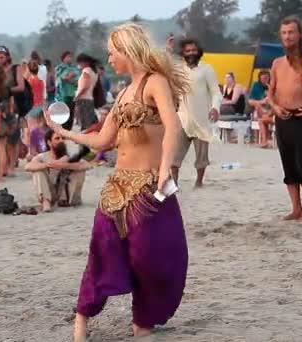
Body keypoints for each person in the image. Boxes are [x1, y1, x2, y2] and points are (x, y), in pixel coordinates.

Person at [44, 23, 189, 339]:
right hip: (116, 188)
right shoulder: (123, 92)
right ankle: (82, 317)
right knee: (101, 252)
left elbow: (173, 126)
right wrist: (66, 133)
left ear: (126, 50)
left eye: (112, 53)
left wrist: (166, 169)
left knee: (149, 258)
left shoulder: (155, 82)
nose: (109, 60)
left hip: (149, 188)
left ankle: (143, 321)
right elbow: (104, 140)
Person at [268, 16, 302, 222]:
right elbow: (271, 93)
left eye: (291, 32)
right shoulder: (276, 63)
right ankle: (296, 208)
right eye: (284, 33)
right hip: (283, 118)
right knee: (289, 165)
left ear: (299, 34)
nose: (287, 36)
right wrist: (275, 107)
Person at [171, 38, 222, 188]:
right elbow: (162, 66)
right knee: (174, 154)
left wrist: (215, 108)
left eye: (193, 50)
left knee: (202, 155)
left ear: (199, 51)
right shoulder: (178, 69)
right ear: (183, 53)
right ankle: (174, 183)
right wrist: (168, 48)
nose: (191, 53)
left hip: (202, 118)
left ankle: (199, 182)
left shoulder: (207, 69)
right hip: (182, 117)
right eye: (188, 51)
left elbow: (215, 92)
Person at [24, 129, 90, 212]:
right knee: (37, 171)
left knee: (80, 169)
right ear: (49, 143)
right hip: (51, 193)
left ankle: (68, 200)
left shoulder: (70, 155)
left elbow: (87, 165)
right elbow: (28, 166)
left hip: (66, 193)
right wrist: (48, 164)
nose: (61, 141)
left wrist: (65, 165)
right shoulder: (43, 156)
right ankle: (46, 202)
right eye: (57, 138)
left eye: (62, 138)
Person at [0, 46, 24, 176]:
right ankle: (3, 166)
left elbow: (21, 87)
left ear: (7, 57)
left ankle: (12, 166)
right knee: (1, 138)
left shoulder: (15, 68)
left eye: (1, 57)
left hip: (13, 106)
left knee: (13, 138)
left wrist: (7, 90)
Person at [74, 53, 101, 131]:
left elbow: (85, 86)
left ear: (85, 62)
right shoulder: (94, 72)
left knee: (85, 122)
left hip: (83, 99)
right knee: (91, 121)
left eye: (80, 63)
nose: (79, 65)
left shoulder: (86, 71)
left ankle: (85, 141)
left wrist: (77, 96)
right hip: (89, 98)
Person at [248, 71, 274, 147]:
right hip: (261, 109)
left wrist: (270, 90)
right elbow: (250, 101)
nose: (264, 80)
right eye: (262, 78)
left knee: (261, 119)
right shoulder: (256, 85)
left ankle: (264, 141)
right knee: (258, 106)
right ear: (259, 78)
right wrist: (261, 102)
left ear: (269, 78)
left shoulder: (273, 85)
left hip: (272, 110)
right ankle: (265, 141)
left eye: (266, 78)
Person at [55, 51, 80, 130]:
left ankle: (69, 130)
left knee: (71, 112)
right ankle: (63, 129)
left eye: (71, 57)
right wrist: (69, 77)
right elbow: (60, 79)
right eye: (68, 57)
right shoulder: (60, 68)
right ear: (63, 58)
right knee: (64, 112)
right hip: (63, 94)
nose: (70, 58)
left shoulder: (74, 68)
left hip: (72, 93)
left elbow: (78, 80)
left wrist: (70, 79)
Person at [25, 61, 46, 141]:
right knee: (40, 127)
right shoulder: (41, 81)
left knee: (32, 129)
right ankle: (41, 146)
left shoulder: (29, 82)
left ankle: (34, 149)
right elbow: (43, 94)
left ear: (29, 70)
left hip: (31, 106)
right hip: (40, 105)